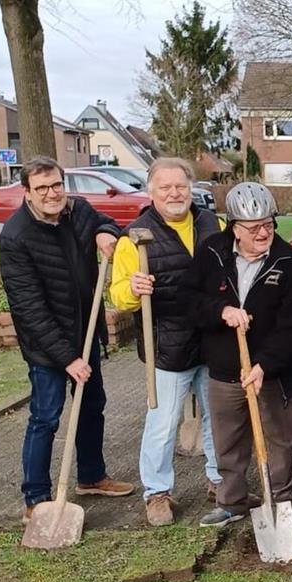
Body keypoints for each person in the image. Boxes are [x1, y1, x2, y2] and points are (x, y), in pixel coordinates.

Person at [0, 156, 134, 523]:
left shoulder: (78, 211)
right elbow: (30, 309)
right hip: (47, 346)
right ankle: (36, 496)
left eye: (56, 185)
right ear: (27, 193)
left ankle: (91, 476)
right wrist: (67, 358)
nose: (51, 193)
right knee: (46, 416)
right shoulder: (16, 237)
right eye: (41, 188)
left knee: (92, 405)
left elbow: (107, 221)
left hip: (85, 331)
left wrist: (107, 232)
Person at [109, 158, 223, 526]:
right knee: (163, 421)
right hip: (169, 342)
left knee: (218, 417)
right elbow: (118, 295)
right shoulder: (136, 237)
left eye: (181, 186)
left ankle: (220, 480)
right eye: (165, 188)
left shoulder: (213, 224)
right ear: (151, 192)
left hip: (213, 339)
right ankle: (157, 492)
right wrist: (132, 289)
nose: (175, 193)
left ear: (191, 189)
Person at [189, 183, 292, 527]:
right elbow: (191, 301)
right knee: (228, 441)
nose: (264, 232)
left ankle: (281, 503)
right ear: (234, 227)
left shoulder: (290, 262)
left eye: (269, 224)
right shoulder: (212, 253)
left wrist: (264, 366)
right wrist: (221, 311)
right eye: (254, 227)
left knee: (281, 443)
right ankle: (232, 501)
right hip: (225, 370)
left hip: (274, 375)